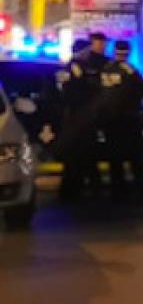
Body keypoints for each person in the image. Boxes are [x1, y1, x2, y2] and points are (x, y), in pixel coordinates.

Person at [53, 36, 105, 202]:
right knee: (81, 157)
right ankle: (76, 190)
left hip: (77, 119)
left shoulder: (72, 67)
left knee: (80, 158)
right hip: (79, 119)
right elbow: (76, 93)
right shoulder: (76, 67)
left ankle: (76, 189)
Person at [97, 40, 143, 201]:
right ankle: (140, 189)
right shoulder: (130, 71)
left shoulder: (105, 69)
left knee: (115, 157)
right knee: (135, 156)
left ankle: (117, 189)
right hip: (128, 119)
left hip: (110, 120)